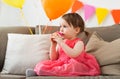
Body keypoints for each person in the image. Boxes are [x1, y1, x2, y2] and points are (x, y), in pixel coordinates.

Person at [26, 13, 101, 76]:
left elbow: (73, 54)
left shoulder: (79, 43)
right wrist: (53, 44)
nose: (61, 29)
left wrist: (61, 43)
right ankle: (39, 71)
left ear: (76, 30)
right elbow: (53, 58)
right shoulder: (62, 42)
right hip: (61, 63)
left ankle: (45, 72)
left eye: (64, 26)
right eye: (60, 26)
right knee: (41, 65)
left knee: (71, 67)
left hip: (74, 64)